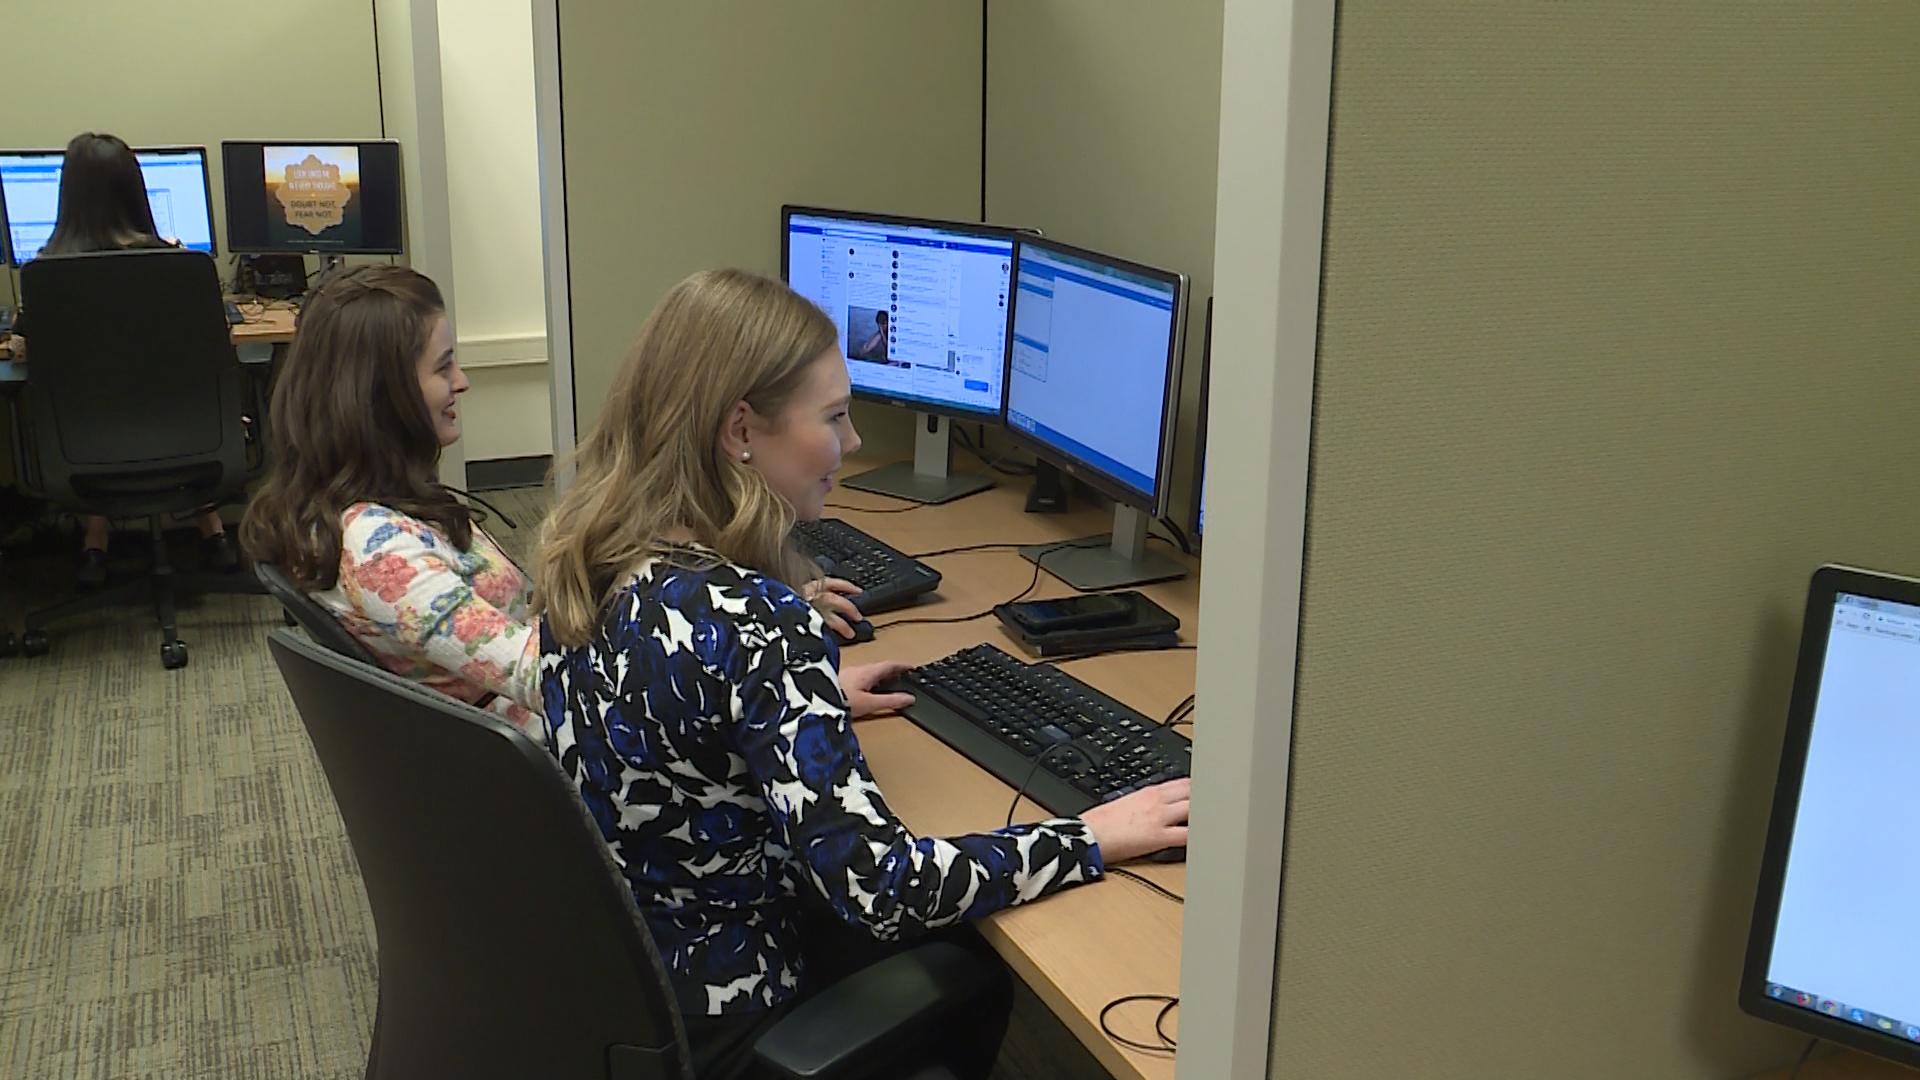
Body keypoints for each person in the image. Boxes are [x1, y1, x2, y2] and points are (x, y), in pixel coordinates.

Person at [533, 269, 1189, 1079]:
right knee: (975, 965)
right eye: (834, 416)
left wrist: (793, 704)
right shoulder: (758, 625)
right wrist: (1091, 837)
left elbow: (659, 719)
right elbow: (883, 890)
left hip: (643, 977)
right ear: (741, 429)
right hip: (739, 1005)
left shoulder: (588, 556)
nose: (852, 443)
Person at [239, 265, 543, 735]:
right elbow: (543, 678)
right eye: (443, 367)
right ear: (381, 395)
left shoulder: (355, 500)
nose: (462, 381)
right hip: (544, 739)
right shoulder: (381, 555)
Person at [8, 132, 234, 581]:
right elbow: (219, 336)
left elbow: (20, 347)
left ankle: (95, 543)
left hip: (85, 452)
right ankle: (214, 533)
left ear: (67, 198)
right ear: (136, 192)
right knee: (172, 395)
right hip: (189, 442)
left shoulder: (45, 275)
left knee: (93, 405)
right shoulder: (178, 264)